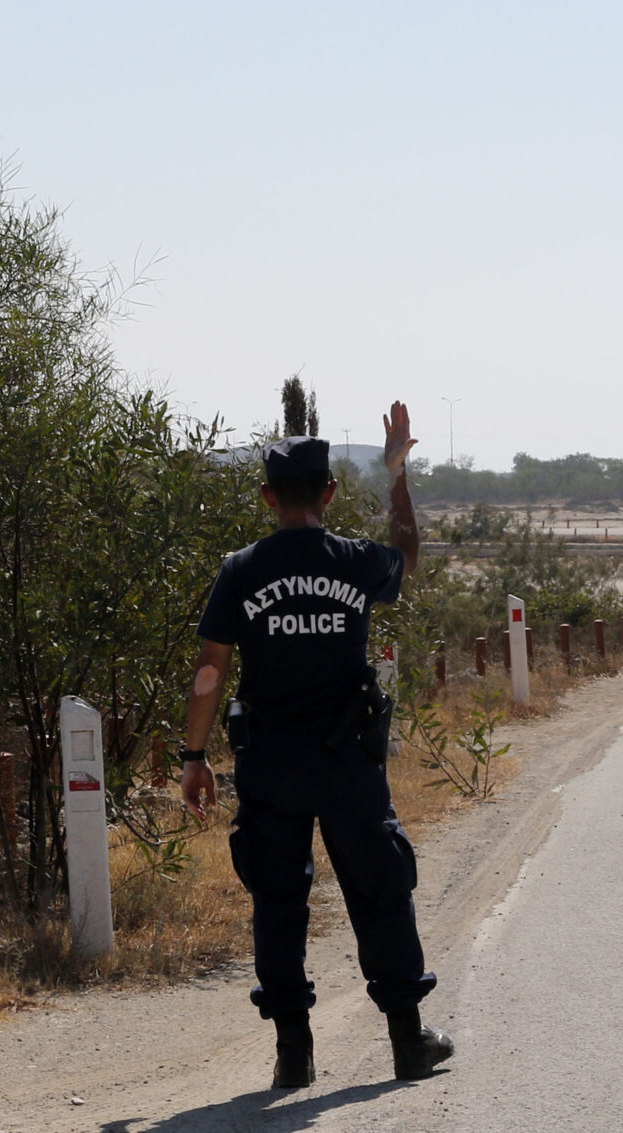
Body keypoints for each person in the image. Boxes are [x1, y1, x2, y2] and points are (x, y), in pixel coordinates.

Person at [180, 402, 454, 1088]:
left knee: (278, 898)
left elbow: (210, 669)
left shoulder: (241, 569)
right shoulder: (357, 561)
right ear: (329, 491)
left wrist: (193, 756)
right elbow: (409, 557)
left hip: (270, 762)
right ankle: (406, 1041)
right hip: (346, 762)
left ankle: (293, 1054)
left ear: (269, 496)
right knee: (380, 890)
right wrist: (396, 476)